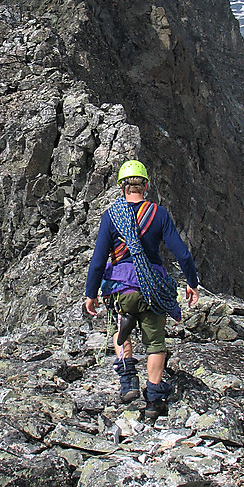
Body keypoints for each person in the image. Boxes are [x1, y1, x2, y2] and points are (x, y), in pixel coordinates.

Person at [85, 160, 199, 421]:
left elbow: (99, 260)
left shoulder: (112, 216)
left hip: (120, 288)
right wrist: (192, 283)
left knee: (118, 331)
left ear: (121, 188)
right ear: (145, 186)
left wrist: (91, 293)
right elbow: (182, 253)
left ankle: (128, 381)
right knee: (156, 343)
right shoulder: (158, 214)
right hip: (152, 289)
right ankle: (154, 398)